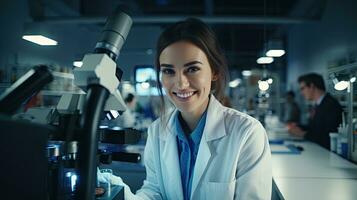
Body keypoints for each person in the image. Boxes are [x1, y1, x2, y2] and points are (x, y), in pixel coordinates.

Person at [116, 18, 272, 200]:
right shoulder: (157, 131)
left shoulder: (247, 133)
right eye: (168, 71)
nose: (181, 83)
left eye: (192, 69)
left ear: (214, 71)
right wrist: (121, 194)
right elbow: (154, 192)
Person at [288, 73, 343, 149]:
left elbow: (327, 136)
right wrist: (298, 126)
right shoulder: (319, 104)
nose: (301, 93)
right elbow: (315, 128)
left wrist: (302, 134)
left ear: (312, 86)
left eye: (302, 88)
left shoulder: (331, 105)